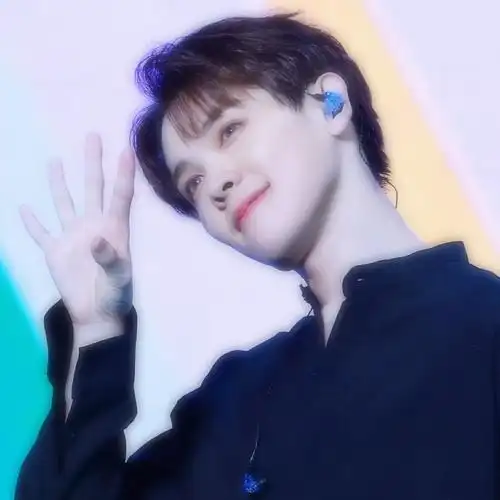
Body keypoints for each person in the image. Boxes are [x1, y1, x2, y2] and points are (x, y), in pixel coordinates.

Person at [14, 12, 500, 500]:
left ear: (330, 103)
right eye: (193, 182)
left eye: (229, 131)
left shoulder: (483, 326)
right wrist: (98, 327)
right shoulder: (232, 400)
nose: (217, 183)